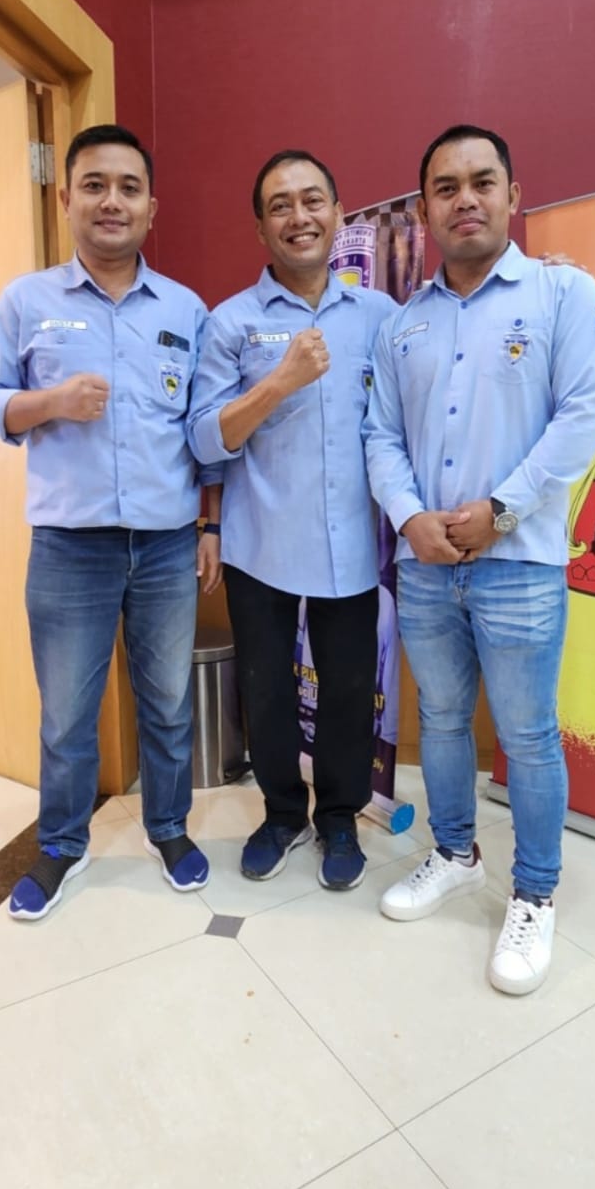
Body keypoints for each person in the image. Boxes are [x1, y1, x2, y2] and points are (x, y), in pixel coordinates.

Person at [364, 124, 595, 995]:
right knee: (440, 724)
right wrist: (409, 518)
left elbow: (588, 409)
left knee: (527, 736)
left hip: (521, 565)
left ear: (514, 195)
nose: (465, 198)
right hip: (428, 567)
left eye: (483, 181)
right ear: (425, 208)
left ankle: (535, 896)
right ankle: (454, 854)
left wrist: (501, 511)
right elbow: (379, 435)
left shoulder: (562, 294)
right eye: (446, 187)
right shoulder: (403, 325)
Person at [0, 124, 222, 922]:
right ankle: (61, 844)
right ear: (66, 197)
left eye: (129, 187)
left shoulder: (185, 309)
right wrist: (50, 402)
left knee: (168, 702)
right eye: (95, 185)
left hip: (167, 544)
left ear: (151, 207)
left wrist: (210, 526)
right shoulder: (27, 301)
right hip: (69, 548)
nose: (113, 201)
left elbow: (205, 430)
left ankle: (168, 829)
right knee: (68, 713)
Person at [188, 151, 395, 891]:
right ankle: (281, 814)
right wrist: (280, 381)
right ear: (261, 227)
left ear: (337, 213)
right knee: (268, 689)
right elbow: (205, 438)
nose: (298, 217)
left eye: (312, 201)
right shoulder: (231, 322)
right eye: (280, 205)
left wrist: (548, 283)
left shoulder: (379, 316)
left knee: (347, 691)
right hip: (261, 543)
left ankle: (338, 817)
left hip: (351, 545)